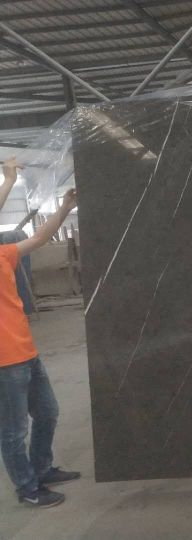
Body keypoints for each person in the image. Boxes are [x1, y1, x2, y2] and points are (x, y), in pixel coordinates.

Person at [0, 157, 81, 508]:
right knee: (14, 430)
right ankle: (27, 488)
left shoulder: (4, 254)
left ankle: (42, 468)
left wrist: (65, 208)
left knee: (47, 412)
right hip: (4, 362)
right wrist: (8, 181)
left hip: (27, 353)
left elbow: (39, 238)